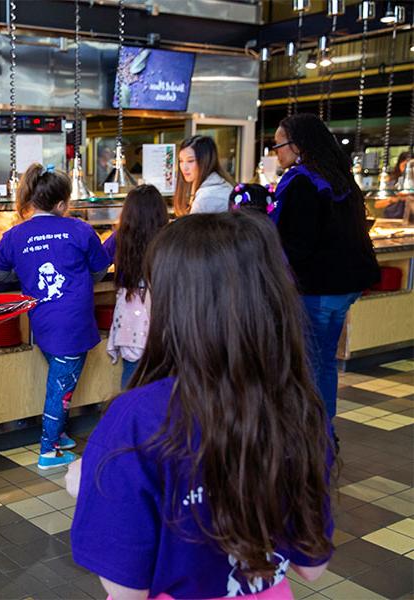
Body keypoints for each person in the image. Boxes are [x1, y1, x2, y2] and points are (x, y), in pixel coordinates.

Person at [68, 212, 335, 598]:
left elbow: (126, 589)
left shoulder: (136, 419)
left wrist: (89, 485)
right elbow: (313, 566)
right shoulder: (299, 405)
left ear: (174, 304)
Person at [0, 164, 111, 470]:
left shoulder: (15, 235)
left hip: (42, 322)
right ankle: (48, 450)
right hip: (74, 322)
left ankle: (59, 435)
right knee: (61, 388)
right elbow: (100, 269)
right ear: (60, 204)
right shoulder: (80, 229)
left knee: (60, 380)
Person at [272, 113, 380, 421]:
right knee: (324, 361)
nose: (276, 152)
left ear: (298, 146)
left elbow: (297, 246)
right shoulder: (338, 177)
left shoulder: (301, 182)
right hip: (345, 286)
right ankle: (323, 430)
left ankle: (314, 435)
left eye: (279, 145)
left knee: (309, 363)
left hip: (316, 287)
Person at [105, 184, 168, 390]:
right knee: (159, 376)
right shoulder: (168, 238)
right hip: (161, 313)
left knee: (131, 374)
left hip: (129, 316)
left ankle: (131, 417)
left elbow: (97, 262)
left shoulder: (119, 237)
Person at [174, 135, 234, 216]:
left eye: (190, 161)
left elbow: (194, 227)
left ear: (205, 161)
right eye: (181, 161)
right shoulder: (219, 184)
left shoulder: (208, 197)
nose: (184, 167)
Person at [375, 151, 411, 218]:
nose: (408, 169)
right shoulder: (391, 181)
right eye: (405, 166)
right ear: (399, 165)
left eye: (411, 166)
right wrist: (393, 199)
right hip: (391, 219)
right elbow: (377, 204)